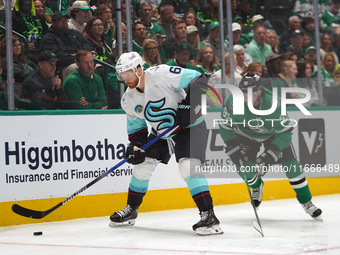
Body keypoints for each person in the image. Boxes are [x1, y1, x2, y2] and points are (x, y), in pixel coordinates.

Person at [109, 51, 223, 236]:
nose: (126, 79)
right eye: (122, 76)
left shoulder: (161, 73)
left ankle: (208, 216)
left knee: (188, 166)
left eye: (128, 73)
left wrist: (187, 105)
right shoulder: (128, 99)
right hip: (161, 134)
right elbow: (137, 130)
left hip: (189, 127)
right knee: (142, 166)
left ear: (139, 69)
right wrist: (135, 146)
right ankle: (131, 209)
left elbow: (199, 79)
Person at [218, 73, 322, 220]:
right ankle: (257, 186)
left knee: (292, 166)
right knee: (246, 170)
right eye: (242, 93)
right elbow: (224, 126)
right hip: (245, 135)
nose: (245, 97)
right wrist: (231, 144)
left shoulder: (274, 104)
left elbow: (285, 133)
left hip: (273, 135)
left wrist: (271, 152)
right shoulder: (233, 103)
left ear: (259, 92)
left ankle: (307, 202)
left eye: (249, 94)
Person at [40, 11, 93, 80]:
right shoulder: (48, 38)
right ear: (53, 23)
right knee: (83, 68)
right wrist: (78, 58)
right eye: (60, 21)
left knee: (98, 67)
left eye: (65, 20)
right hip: (63, 67)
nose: (64, 23)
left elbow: (88, 44)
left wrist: (81, 54)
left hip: (80, 61)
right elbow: (57, 57)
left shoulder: (74, 33)